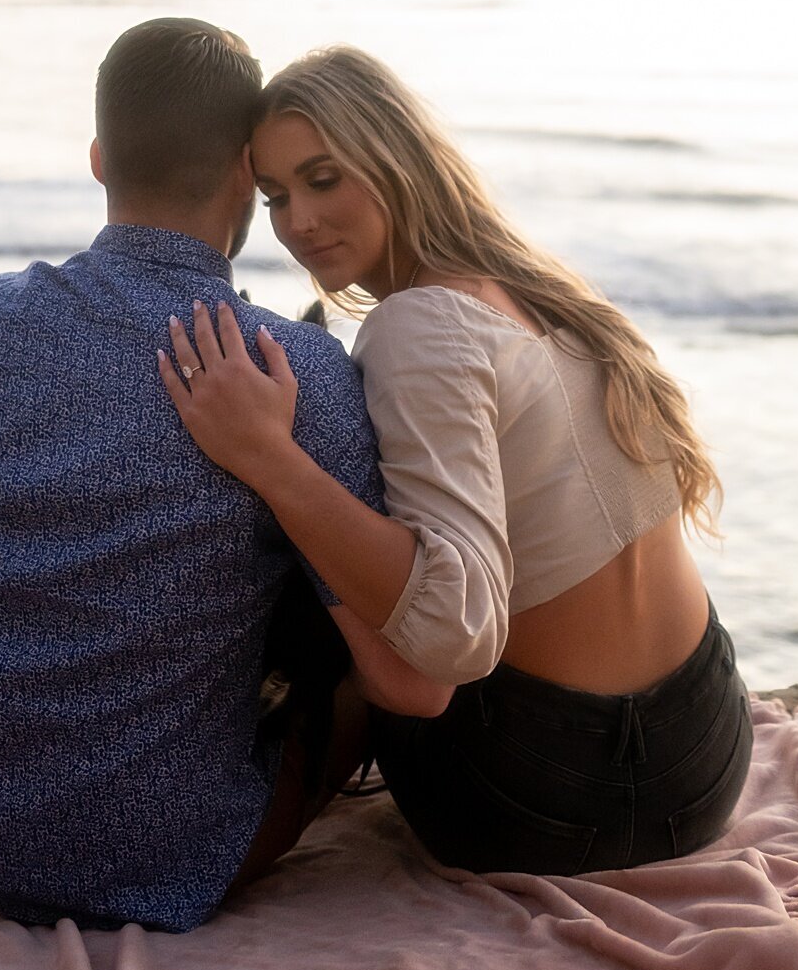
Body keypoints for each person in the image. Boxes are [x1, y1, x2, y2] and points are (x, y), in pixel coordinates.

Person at [0, 18, 449, 933]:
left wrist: (36, 483)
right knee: (357, 655)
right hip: (160, 855)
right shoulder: (292, 373)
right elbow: (405, 667)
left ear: (99, 158)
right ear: (248, 171)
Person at [161, 44, 753, 877]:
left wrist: (268, 459)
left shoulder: (419, 326)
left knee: (319, 571)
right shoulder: (545, 292)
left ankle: (215, 846)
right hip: (706, 754)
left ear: (394, 158)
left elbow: (449, 630)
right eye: (276, 196)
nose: (298, 223)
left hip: (550, 797)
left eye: (324, 178)